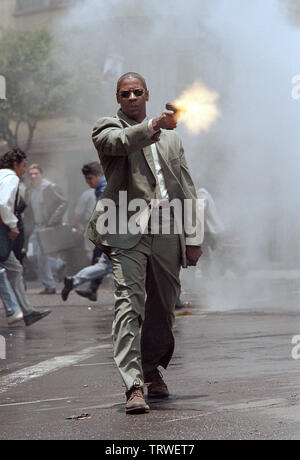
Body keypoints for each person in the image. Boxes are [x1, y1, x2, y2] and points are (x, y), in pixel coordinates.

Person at [86, 72, 203, 414]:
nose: (133, 97)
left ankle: (152, 367)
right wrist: (155, 123)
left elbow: (186, 188)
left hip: (167, 226)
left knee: (164, 306)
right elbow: (120, 143)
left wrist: (193, 237)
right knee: (129, 303)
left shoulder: (172, 140)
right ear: (118, 99)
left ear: (147, 94)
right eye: (126, 93)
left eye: (138, 92)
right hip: (125, 226)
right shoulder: (106, 128)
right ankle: (133, 385)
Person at [0, 149, 51, 326]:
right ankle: (18, 310)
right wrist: (12, 224)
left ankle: (25, 311)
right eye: (23, 166)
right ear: (15, 164)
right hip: (2, 230)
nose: (24, 170)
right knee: (12, 269)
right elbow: (2, 202)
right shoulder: (11, 177)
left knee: (14, 269)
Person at [25, 164, 67, 294]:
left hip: (47, 226)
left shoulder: (50, 187)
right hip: (36, 227)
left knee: (42, 257)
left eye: (36, 173)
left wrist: (53, 221)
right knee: (31, 255)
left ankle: (50, 286)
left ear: (41, 174)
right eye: (31, 174)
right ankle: (58, 264)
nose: (33, 176)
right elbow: (28, 210)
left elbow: (63, 202)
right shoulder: (29, 190)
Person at [70, 162, 108, 301]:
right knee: (98, 259)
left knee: (102, 262)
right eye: (86, 179)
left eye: (90, 178)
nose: (88, 182)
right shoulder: (99, 188)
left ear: (99, 175)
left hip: (111, 231)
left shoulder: (104, 188)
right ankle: (92, 289)